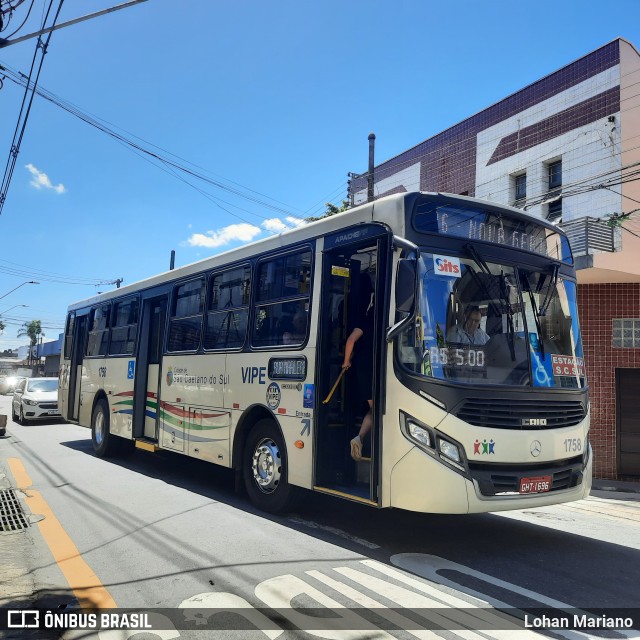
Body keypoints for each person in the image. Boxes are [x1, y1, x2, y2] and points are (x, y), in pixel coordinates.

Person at [343, 274, 375, 462]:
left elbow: (351, 340)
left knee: (375, 409)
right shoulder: (374, 319)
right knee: (376, 409)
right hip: (369, 368)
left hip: (364, 367)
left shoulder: (365, 318)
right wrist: (347, 360)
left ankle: (359, 438)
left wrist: (346, 361)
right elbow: (351, 340)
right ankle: (360, 438)